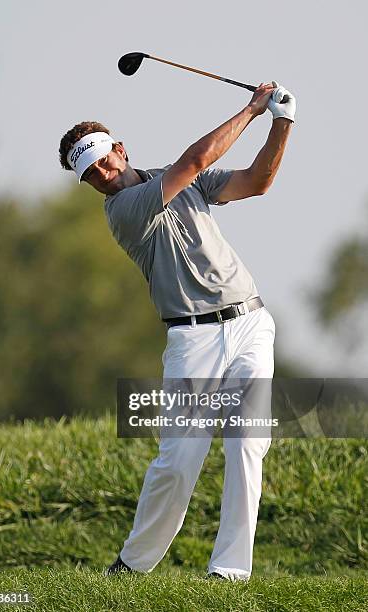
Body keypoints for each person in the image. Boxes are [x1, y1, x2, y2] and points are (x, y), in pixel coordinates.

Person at [59, 81, 295, 581]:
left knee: (248, 444)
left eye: (104, 161)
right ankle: (133, 564)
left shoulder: (177, 178)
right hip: (193, 339)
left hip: (251, 321)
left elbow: (256, 181)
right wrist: (252, 109)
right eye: (91, 174)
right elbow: (196, 160)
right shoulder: (123, 210)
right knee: (177, 462)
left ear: (120, 150)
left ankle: (229, 572)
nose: (102, 176)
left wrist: (282, 123)